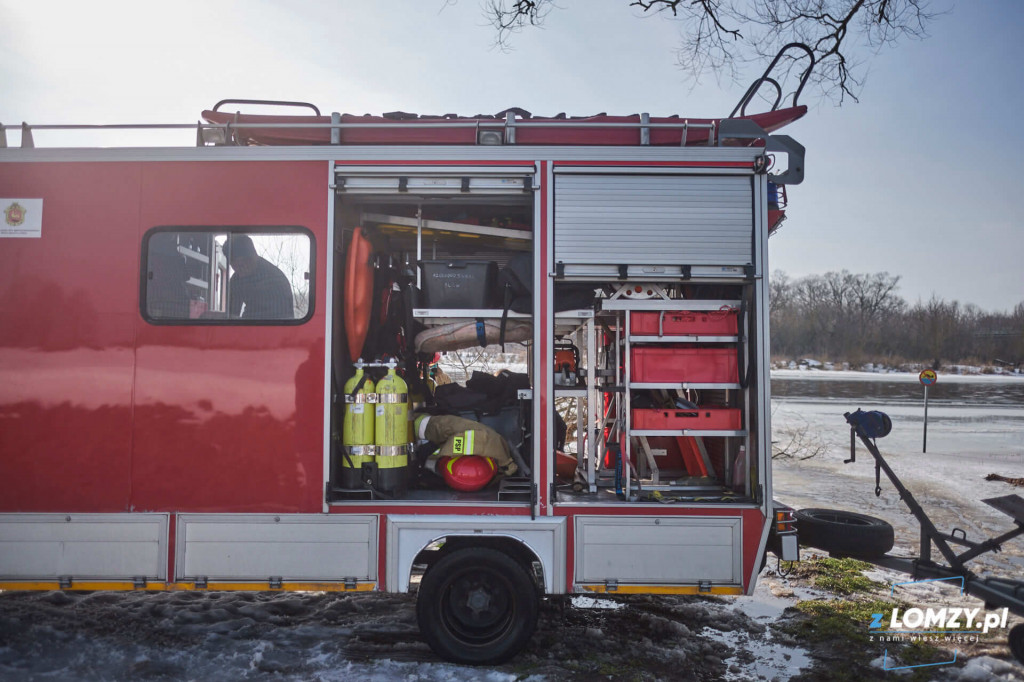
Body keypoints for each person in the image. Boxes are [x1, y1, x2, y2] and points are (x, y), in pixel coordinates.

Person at [224, 234, 294, 320]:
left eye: (243, 263)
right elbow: (231, 315)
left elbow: (283, 318)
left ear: (254, 256)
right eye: (235, 266)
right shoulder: (236, 280)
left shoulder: (275, 279)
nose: (241, 269)